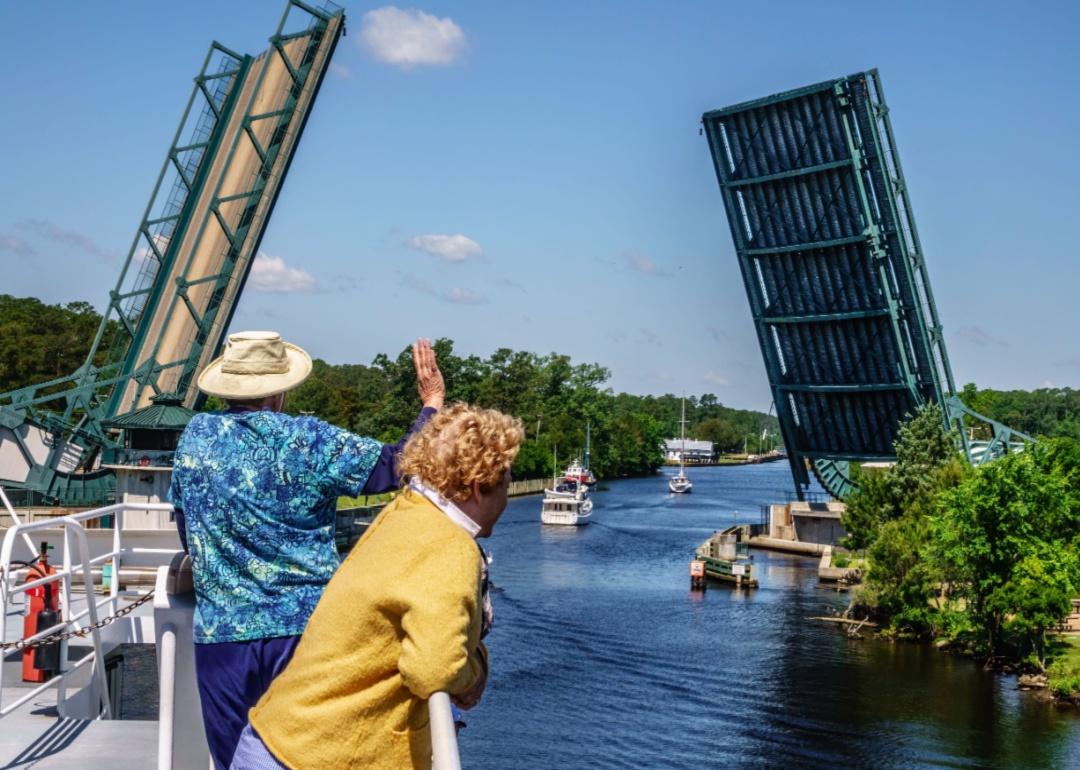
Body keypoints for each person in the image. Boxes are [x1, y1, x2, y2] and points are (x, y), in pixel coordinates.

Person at [169, 330, 445, 770]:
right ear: (278, 390)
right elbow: (399, 465)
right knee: (308, 758)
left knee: (233, 762)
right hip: (305, 636)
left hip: (222, 638)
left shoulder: (194, 438)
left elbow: (186, 527)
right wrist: (431, 405)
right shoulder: (307, 440)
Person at [229, 403, 524, 770]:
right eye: (506, 482)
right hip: (316, 758)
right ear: (480, 487)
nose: (507, 498)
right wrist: (475, 672)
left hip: (278, 739)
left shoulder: (406, 512)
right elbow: (434, 670)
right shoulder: (450, 546)